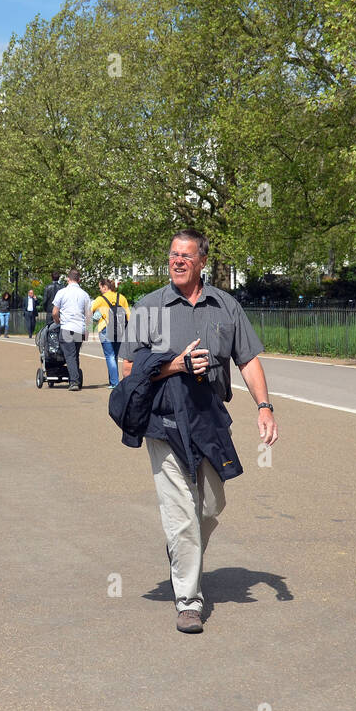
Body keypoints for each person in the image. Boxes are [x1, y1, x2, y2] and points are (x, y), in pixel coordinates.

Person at [118, 229, 278, 634]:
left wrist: (264, 406)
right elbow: (127, 372)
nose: (177, 261)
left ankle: (179, 550)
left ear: (202, 261)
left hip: (209, 420)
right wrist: (175, 365)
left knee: (210, 506)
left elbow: (249, 360)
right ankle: (189, 600)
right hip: (165, 421)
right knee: (182, 515)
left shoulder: (225, 306)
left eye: (186, 256)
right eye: (173, 254)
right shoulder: (150, 306)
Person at [51, 270, 92, 390]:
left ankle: (74, 382)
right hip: (79, 328)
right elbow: (89, 315)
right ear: (79, 280)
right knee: (75, 354)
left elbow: (54, 312)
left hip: (67, 327)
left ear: (68, 279)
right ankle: (76, 380)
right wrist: (87, 331)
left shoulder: (62, 292)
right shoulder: (84, 294)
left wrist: (58, 321)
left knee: (69, 356)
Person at [91, 278, 130, 388]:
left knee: (110, 356)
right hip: (120, 328)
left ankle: (114, 382)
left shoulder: (101, 299)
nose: (100, 290)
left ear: (105, 287)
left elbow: (90, 310)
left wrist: (97, 314)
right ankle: (113, 380)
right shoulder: (121, 297)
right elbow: (128, 315)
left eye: (100, 287)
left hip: (105, 328)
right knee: (115, 355)